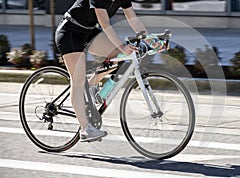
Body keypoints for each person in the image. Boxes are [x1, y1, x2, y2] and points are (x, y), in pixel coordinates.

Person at [55, 0, 164, 142]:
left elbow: (134, 20)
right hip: (70, 32)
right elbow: (105, 23)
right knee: (78, 81)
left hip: (89, 32)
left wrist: (152, 41)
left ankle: (92, 84)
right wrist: (121, 46)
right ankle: (85, 129)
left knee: (119, 57)